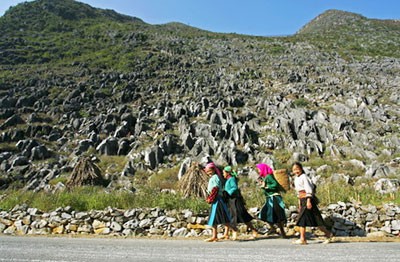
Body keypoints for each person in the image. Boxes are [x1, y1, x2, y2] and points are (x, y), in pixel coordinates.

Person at [291, 162, 332, 245]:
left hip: (307, 199)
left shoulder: (304, 177)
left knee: (315, 220)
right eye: (294, 170)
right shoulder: (296, 178)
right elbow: (298, 192)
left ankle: (328, 234)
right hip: (302, 200)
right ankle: (303, 238)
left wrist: (308, 201)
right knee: (303, 219)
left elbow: (308, 189)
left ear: (301, 169)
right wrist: (299, 203)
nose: (296, 171)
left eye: (297, 169)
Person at [221, 165, 258, 240]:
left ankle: (254, 231)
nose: (223, 174)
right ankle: (229, 233)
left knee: (241, 215)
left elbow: (234, 188)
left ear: (228, 173)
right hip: (230, 200)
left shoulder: (232, 179)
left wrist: (228, 193)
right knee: (231, 216)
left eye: (224, 173)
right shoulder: (228, 180)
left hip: (235, 200)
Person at [256, 163, 287, 238]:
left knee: (277, 215)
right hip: (269, 198)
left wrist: (266, 187)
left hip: (274, 199)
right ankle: (273, 229)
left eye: (259, 169)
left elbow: (275, 185)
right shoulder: (265, 177)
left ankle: (282, 233)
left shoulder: (268, 176)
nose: (258, 170)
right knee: (264, 214)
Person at [204, 162, 232, 242]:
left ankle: (215, 236)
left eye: (208, 170)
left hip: (217, 199)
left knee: (214, 217)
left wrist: (211, 197)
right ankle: (223, 234)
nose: (207, 172)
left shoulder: (215, 177)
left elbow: (215, 188)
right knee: (222, 216)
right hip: (217, 199)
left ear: (213, 170)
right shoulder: (214, 177)